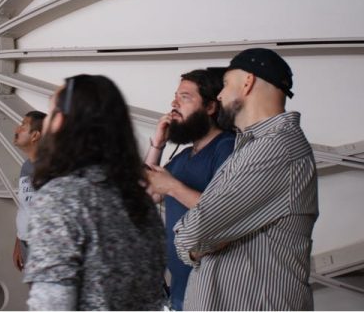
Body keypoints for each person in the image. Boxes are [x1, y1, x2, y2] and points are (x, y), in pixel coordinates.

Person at [174, 48, 318, 310]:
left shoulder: (276, 150)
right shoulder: (253, 147)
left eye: (226, 84)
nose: (219, 94)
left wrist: (197, 240)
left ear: (247, 82)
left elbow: (192, 236)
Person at [24, 75, 166, 310]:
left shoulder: (61, 197)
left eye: (49, 114)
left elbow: (52, 304)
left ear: (61, 122)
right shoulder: (140, 201)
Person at [144, 69, 235, 310]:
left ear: (210, 107)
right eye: (175, 96)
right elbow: (148, 194)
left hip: (213, 293)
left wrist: (173, 187)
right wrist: (158, 144)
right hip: (180, 290)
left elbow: (228, 213)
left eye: (184, 97)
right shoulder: (183, 156)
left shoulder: (227, 148)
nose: (174, 103)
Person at [12, 110, 45, 272]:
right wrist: (18, 243)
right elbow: (24, 207)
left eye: (23, 125)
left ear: (35, 135)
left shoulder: (53, 168)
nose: (17, 129)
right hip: (26, 246)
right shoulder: (26, 166)